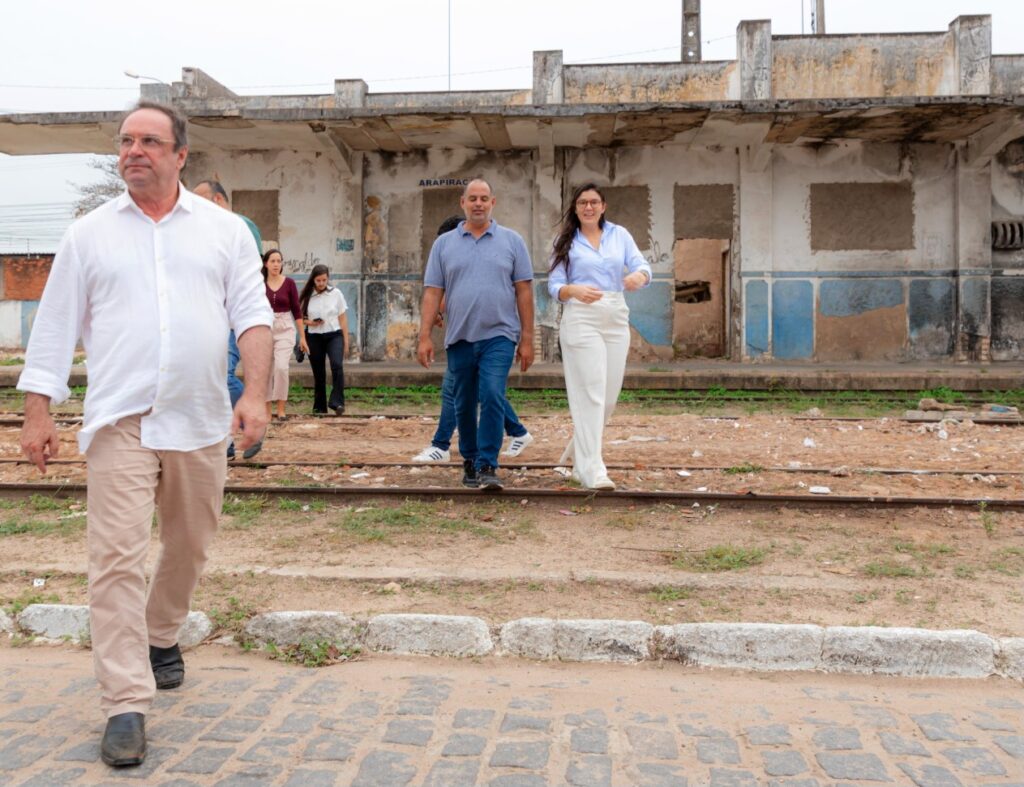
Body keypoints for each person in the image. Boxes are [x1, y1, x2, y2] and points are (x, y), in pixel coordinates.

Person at [17, 101, 273, 768]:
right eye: (126, 141)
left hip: (197, 416)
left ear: (180, 155)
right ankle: (125, 701)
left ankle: (161, 633)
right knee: (116, 559)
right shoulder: (88, 234)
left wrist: (253, 392)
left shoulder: (223, 231)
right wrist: (38, 410)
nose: (135, 150)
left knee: (190, 542)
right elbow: (54, 326)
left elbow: (252, 315)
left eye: (150, 141)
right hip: (119, 419)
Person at [417, 179, 535, 491]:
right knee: (464, 403)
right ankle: (469, 460)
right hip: (459, 337)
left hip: (500, 336)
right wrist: (424, 336)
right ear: (463, 203)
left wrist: (527, 338)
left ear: (493, 203)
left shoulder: (512, 241)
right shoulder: (444, 245)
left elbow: (524, 291)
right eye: (473, 199)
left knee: (493, 395)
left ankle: (487, 464)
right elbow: (432, 292)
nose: (478, 203)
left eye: (484, 198)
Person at [548, 183, 652, 491]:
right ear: (576, 208)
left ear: (603, 206)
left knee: (607, 397)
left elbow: (643, 266)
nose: (589, 207)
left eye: (594, 202)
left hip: (615, 313)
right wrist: (573, 290)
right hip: (581, 317)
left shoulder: (620, 235)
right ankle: (593, 470)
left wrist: (638, 277)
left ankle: (579, 458)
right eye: (583, 203)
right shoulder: (565, 240)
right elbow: (554, 285)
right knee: (591, 393)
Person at [192, 178, 264, 461]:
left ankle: (250, 421)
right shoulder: (207, 229)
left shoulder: (239, 227)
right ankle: (228, 444)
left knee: (222, 377)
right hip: (212, 319)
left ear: (219, 200)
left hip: (233, 320)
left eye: (202, 200)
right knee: (211, 381)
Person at [299, 264, 349, 415]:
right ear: (313, 279)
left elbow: (342, 318)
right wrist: (312, 323)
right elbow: (299, 318)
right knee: (318, 372)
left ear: (328, 279)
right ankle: (319, 407)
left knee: (337, 365)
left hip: (334, 334)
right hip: (314, 336)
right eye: (318, 280)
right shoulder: (307, 295)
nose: (321, 283)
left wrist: (346, 341)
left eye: (324, 280)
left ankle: (337, 402)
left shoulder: (336, 294)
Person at [262, 249, 306, 420]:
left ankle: (281, 409)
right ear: (266, 264)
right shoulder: (259, 283)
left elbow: (297, 310)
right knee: (265, 371)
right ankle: (267, 412)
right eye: (272, 261)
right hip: (265, 328)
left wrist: (302, 337)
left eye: (279, 261)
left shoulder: (289, 283)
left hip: (285, 328)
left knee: (281, 367)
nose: (276, 264)